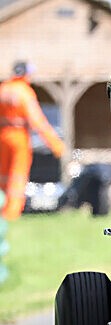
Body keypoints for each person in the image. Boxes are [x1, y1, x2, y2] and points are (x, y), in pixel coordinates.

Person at [0, 61, 65, 220]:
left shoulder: (3, 89)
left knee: (2, 175)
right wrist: (56, 145)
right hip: (19, 136)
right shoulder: (24, 92)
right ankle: (11, 213)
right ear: (24, 74)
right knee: (17, 175)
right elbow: (38, 121)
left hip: (2, 135)